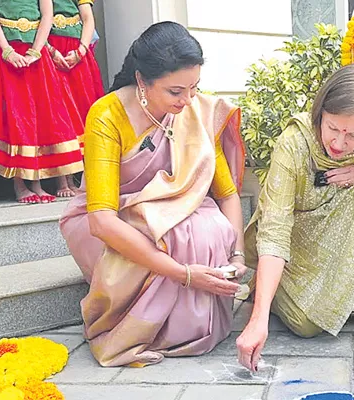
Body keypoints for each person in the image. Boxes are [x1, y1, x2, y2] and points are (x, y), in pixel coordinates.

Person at [59, 21, 248, 367]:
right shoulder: (107, 115)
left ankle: (196, 327)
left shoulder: (197, 111)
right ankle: (144, 329)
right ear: (142, 81)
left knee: (211, 227)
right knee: (169, 231)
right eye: (175, 92)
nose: (188, 101)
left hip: (177, 205)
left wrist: (237, 256)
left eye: (194, 88)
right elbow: (101, 220)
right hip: (110, 219)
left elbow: (227, 193)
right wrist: (183, 274)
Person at [236, 64, 354, 371]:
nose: (339, 143)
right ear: (320, 113)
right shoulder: (294, 143)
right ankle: (269, 293)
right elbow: (275, 229)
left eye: (353, 134)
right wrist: (257, 319)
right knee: (306, 325)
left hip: (340, 240)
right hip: (297, 244)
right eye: (332, 128)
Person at [0, 0, 85, 204]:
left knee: (40, 114)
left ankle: (37, 182)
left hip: (34, 54)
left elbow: (47, 14)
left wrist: (36, 51)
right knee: (13, 115)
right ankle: (19, 184)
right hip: (2, 51)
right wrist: (7, 50)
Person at [47, 0, 104, 197]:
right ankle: (63, 180)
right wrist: (49, 50)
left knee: (84, 112)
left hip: (77, 53)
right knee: (58, 113)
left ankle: (92, 177)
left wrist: (81, 50)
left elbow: (88, 19)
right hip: (50, 51)